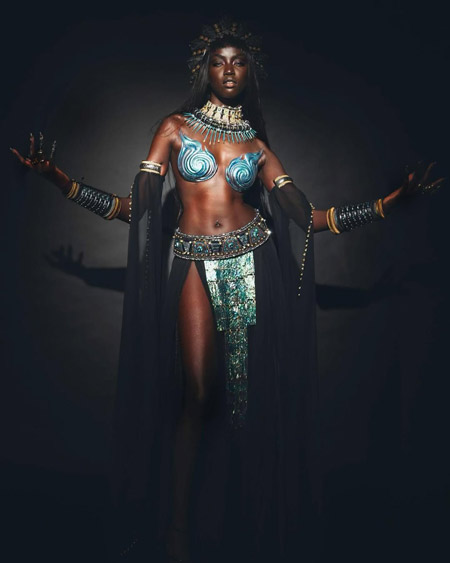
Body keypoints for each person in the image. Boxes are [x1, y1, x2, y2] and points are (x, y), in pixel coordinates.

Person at [10, 18, 444, 563]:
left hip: (253, 259)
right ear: (206, 71)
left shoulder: (257, 147)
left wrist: (388, 203)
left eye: (238, 62)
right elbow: (136, 208)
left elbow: (308, 217)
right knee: (198, 392)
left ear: (248, 73)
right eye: (219, 62)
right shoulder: (173, 128)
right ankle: (177, 528)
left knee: (246, 400)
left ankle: (240, 521)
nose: (229, 70)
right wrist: (60, 180)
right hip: (193, 259)